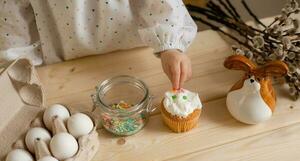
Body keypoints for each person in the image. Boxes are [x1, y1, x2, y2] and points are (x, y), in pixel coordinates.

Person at [0, 0, 197, 89]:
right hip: (63, 64)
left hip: (132, 52)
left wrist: (169, 46)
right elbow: (13, 20)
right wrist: (19, 66)